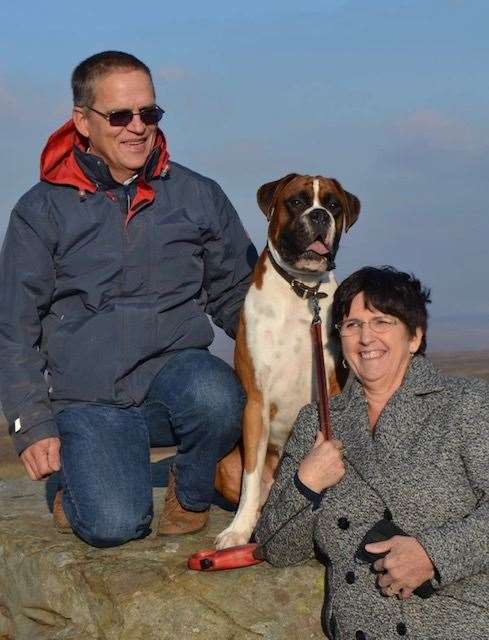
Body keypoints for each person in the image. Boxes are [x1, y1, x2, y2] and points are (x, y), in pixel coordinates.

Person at [0, 51, 257, 548]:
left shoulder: (198, 195)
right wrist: (31, 425)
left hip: (174, 379)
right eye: (120, 116)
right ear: (82, 122)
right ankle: (78, 473)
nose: (137, 127)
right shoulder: (40, 210)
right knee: (115, 525)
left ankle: (193, 489)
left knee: (220, 396)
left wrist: (302, 347)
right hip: (89, 397)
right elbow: (15, 327)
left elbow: (238, 294)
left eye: (149, 113)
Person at [255, 266, 489, 639]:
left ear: (414, 337)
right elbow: (276, 548)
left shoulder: (466, 404)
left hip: (462, 622)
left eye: (383, 322)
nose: (366, 337)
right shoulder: (318, 422)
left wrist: (434, 554)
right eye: (351, 325)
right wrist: (307, 483)